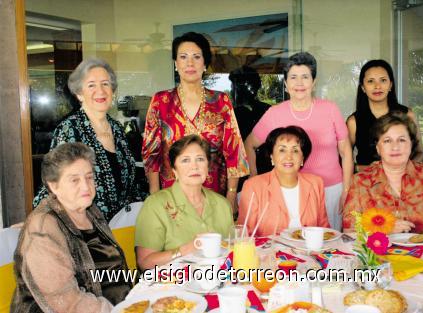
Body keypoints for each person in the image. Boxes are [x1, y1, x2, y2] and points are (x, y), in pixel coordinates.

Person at [11, 143, 132, 312]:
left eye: (89, 177)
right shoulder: (42, 229)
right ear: (54, 185)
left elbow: (110, 269)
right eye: (74, 180)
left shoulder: (90, 211)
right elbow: (67, 302)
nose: (85, 186)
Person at [244, 52, 353, 231]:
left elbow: (346, 151)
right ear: (286, 84)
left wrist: (346, 190)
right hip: (291, 192)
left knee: (330, 245)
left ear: (314, 82)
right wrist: (254, 176)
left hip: (331, 190)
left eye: (305, 77)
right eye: (293, 77)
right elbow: (250, 144)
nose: (299, 83)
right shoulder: (275, 113)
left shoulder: (330, 109)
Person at [142, 32, 249, 210]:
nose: (189, 63)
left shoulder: (220, 101)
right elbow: (151, 154)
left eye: (196, 57)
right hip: (172, 197)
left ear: (205, 63)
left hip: (214, 196)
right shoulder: (161, 101)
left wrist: (231, 195)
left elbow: (234, 151)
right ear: (176, 64)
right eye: (183, 57)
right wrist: (155, 194)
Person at [33, 58, 144, 222]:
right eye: (91, 85)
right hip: (86, 230)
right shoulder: (70, 129)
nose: (100, 91)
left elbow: (130, 183)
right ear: (79, 94)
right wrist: (39, 219)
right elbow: (54, 182)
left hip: (121, 227)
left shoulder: (117, 129)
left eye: (105, 84)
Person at [343, 112, 423, 237]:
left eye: (402, 140)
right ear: (378, 148)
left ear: (411, 144)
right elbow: (350, 234)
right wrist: (384, 229)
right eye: (387, 141)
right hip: (377, 255)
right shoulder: (360, 181)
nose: (395, 147)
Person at [135, 135, 233, 269]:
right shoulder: (155, 205)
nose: (194, 166)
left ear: (207, 166)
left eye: (200, 159)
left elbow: (232, 251)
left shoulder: (223, 204)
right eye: (185, 160)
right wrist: (186, 249)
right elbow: (145, 263)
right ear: (174, 170)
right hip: (171, 285)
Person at [238, 126, 329, 237]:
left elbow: (324, 231)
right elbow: (244, 235)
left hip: (308, 252)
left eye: (295, 150)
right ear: (272, 156)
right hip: (269, 252)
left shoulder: (316, 183)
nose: (289, 157)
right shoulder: (253, 186)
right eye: (282, 150)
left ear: (302, 158)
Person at [346, 59, 423, 170]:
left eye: (383, 80)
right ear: (363, 87)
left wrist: (401, 170)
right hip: (368, 183)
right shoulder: (353, 122)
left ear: (390, 85)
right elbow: (343, 158)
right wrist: (364, 168)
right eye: (370, 81)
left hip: (404, 181)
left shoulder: (407, 115)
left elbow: (419, 152)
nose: (377, 86)